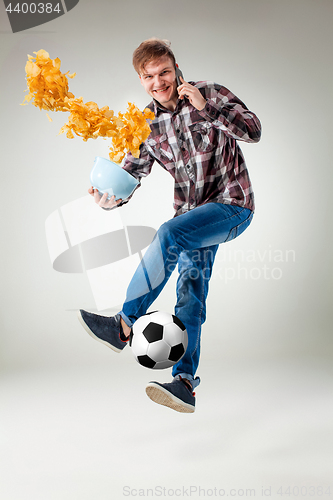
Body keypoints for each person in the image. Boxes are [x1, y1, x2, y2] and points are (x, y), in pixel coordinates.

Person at [77, 38, 261, 413]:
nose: (158, 81)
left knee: (169, 233)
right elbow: (131, 174)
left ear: (176, 68)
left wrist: (206, 108)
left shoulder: (208, 93)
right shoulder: (146, 123)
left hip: (232, 206)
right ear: (141, 80)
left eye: (163, 72)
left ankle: (123, 325)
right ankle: (184, 384)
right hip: (193, 218)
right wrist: (110, 198)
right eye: (148, 76)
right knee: (190, 298)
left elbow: (253, 131)